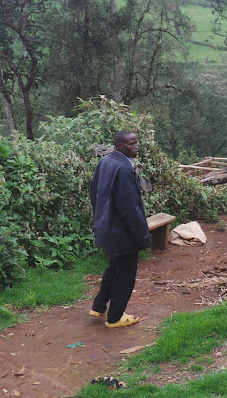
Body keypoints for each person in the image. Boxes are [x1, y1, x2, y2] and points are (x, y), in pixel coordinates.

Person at [89, 130, 152, 328]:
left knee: (114, 266)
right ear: (120, 146)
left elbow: (94, 192)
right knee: (125, 274)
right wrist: (143, 236)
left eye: (136, 143)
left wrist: (100, 217)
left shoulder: (106, 161)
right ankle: (115, 317)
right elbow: (129, 208)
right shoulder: (124, 169)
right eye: (131, 144)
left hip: (107, 226)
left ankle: (99, 306)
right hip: (121, 231)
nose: (136, 147)